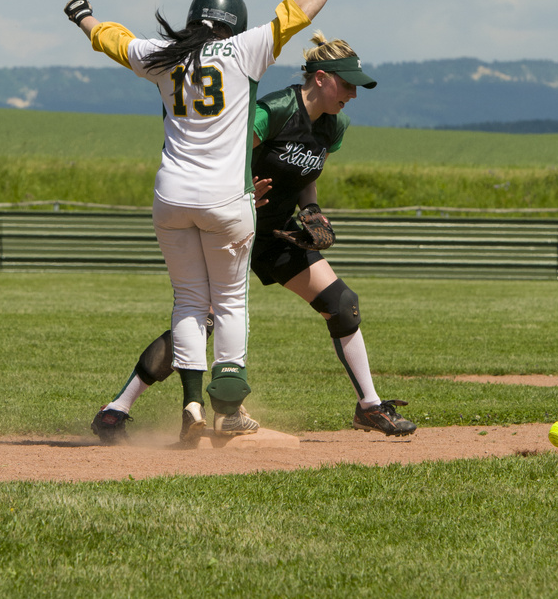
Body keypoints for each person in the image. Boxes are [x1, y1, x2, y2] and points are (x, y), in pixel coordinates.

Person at [65, 0, 355, 442]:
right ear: (234, 23)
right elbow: (301, 12)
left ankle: (192, 411)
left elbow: (112, 40)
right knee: (229, 302)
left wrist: (83, 15)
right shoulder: (245, 50)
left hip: (170, 197)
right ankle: (228, 406)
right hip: (226, 199)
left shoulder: (162, 55)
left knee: (188, 305)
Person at [90, 30, 416, 444]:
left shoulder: (334, 126)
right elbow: (231, 151)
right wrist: (241, 190)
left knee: (342, 304)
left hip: (277, 233)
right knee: (200, 320)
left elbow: (306, 176)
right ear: (320, 78)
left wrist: (310, 210)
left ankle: (369, 406)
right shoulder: (275, 110)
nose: (353, 93)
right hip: (232, 226)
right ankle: (115, 411)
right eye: (346, 83)